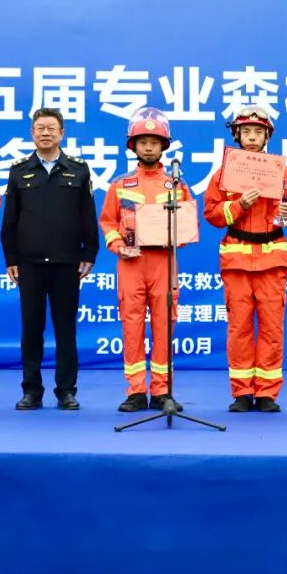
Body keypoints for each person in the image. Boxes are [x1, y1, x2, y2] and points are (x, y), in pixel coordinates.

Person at [202, 106, 287, 412]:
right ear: (236, 135)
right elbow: (211, 214)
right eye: (246, 131)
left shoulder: (282, 172)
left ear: (266, 136)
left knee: (272, 328)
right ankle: (242, 392)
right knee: (239, 328)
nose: (251, 137)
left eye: (257, 132)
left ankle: (267, 393)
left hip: (272, 258)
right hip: (236, 258)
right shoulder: (224, 174)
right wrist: (239, 206)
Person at [1, 108, 98, 411]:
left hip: (67, 262)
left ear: (62, 133)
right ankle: (32, 390)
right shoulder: (19, 171)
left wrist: (89, 252)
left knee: (65, 329)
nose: (45, 133)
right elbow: (10, 220)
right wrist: (11, 257)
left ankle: (66, 390)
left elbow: (87, 215)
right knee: (31, 329)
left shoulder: (78, 170)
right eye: (40, 128)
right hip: (28, 263)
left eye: (51, 128)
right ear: (32, 133)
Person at [99, 107, 191, 412]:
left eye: (154, 142)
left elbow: (188, 224)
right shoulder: (120, 185)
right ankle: (136, 391)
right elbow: (108, 222)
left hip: (164, 262)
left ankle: (162, 391)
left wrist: (177, 236)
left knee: (164, 327)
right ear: (133, 146)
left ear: (163, 145)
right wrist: (118, 246)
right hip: (131, 264)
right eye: (143, 142)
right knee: (132, 326)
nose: (148, 147)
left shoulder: (177, 185)